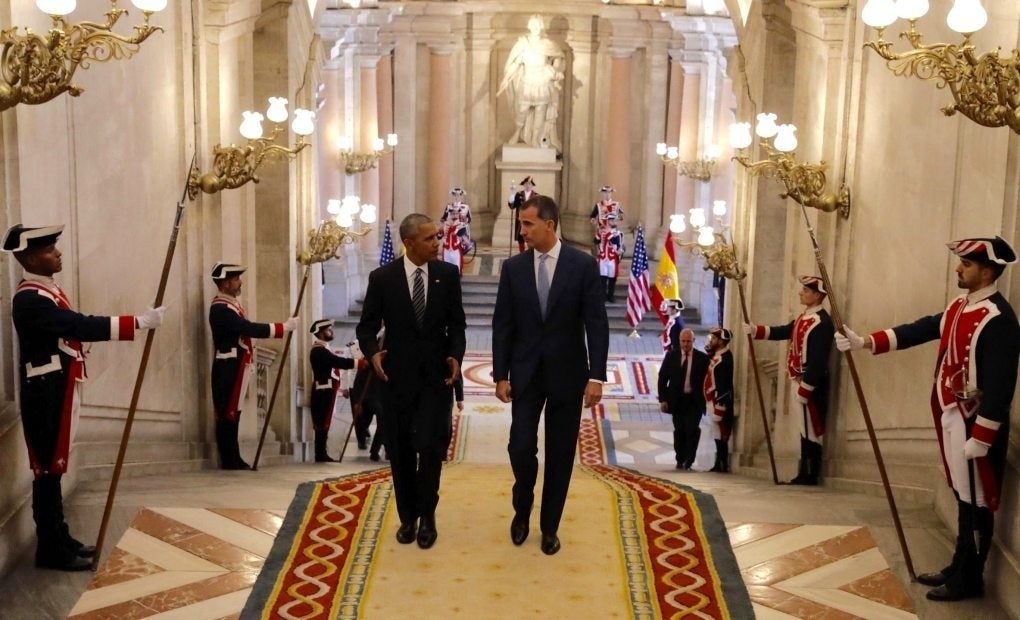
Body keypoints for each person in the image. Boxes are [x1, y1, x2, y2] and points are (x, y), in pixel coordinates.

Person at [835, 236, 1020, 602]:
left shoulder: (1000, 318)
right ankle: (959, 563)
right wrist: (866, 342)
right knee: (961, 494)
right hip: (951, 417)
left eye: (966, 264)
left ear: (987, 270)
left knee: (977, 501)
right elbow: (920, 328)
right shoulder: (958, 306)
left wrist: (982, 437)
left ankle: (971, 578)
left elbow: (1000, 386)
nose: (958, 268)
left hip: (975, 426)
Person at [3, 224, 165, 571]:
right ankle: (50, 550)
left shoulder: (46, 292)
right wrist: (136, 322)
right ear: (30, 258)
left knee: (54, 470)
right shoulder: (30, 299)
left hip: (56, 388)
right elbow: (76, 324)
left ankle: (60, 538)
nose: (58, 254)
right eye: (49, 250)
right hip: (45, 394)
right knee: (47, 471)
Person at [492, 194, 609, 556]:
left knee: (560, 455)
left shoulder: (582, 265)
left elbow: (596, 323)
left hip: (567, 375)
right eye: (521, 223)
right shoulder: (514, 269)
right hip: (525, 374)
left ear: (550, 225)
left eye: (528, 224)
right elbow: (503, 325)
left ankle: (549, 527)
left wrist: (597, 376)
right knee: (521, 445)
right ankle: (522, 504)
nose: (522, 230)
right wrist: (500, 374)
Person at [356, 214, 466, 550]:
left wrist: (455, 356)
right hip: (396, 381)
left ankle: (428, 517)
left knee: (431, 449)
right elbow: (366, 327)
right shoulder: (383, 278)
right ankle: (408, 517)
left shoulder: (447, 275)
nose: (438, 243)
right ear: (410, 243)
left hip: (435, 379)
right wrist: (373, 353)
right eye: (431, 238)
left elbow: (457, 325)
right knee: (401, 450)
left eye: (438, 236)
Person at [745, 275, 834, 485]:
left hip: (811, 384)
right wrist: (757, 330)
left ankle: (811, 472)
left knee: (811, 428)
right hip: (798, 380)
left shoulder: (823, 322)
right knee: (803, 427)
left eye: (806, 291)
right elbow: (785, 331)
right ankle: (803, 471)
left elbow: (819, 359)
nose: (801, 293)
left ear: (817, 295)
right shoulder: (804, 317)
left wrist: (806, 387)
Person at [209, 262, 297, 470]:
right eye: (236, 278)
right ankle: (229, 458)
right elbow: (245, 328)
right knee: (227, 412)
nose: (240, 282)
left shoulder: (231, 306)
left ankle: (234, 456)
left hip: (236, 363)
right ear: (225, 283)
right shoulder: (221, 308)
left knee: (234, 411)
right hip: (227, 365)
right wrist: (282, 328)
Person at [497, 14, 565, 149]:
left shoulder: (547, 44)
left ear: (541, 26)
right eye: (533, 25)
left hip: (543, 82)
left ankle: (535, 138)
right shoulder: (523, 44)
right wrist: (506, 79)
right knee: (521, 110)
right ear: (529, 26)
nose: (536, 27)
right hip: (527, 82)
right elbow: (515, 63)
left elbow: (559, 56)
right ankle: (517, 133)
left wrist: (554, 71)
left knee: (541, 112)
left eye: (538, 24)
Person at [308, 319, 365, 463]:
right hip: (323, 389)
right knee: (322, 422)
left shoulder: (324, 349)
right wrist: (360, 363)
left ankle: (322, 453)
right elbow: (339, 362)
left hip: (327, 388)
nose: (332, 331)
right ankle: (320, 454)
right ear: (320, 333)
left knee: (325, 421)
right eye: (328, 330)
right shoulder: (319, 351)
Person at [657, 328, 709, 471]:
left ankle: (689, 461)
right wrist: (663, 399)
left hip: (694, 401)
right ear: (679, 341)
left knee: (692, 430)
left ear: (694, 341)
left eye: (688, 341)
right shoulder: (671, 356)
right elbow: (663, 378)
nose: (685, 344)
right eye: (683, 341)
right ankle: (680, 458)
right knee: (679, 430)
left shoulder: (702, 359)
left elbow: (708, 381)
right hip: (677, 401)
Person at [347, 339, 386, 462]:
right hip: (369, 397)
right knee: (365, 421)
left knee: (384, 421)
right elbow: (358, 382)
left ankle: (375, 450)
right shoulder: (369, 360)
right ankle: (364, 442)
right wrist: (358, 401)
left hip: (382, 397)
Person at [705, 327, 735, 473]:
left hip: (719, 400)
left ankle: (722, 461)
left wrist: (720, 405)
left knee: (722, 430)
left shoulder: (725, 359)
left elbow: (724, 384)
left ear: (722, 341)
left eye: (715, 339)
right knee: (716, 431)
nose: (712, 341)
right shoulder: (717, 354)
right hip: (712, 398)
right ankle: (718, 461)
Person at [440, 187, 473, 273]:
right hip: (449, 231)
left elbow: (469, 219)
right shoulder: (448, 206)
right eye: (455, 195)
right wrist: (446, 223)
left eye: (458, 195)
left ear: (461, 195)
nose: (457, 197)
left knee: (457, 258)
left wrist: (463, 221)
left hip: (460, 230)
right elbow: (443, 218)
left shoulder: (466, 206)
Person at [596, 214, 625, 303]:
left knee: (612, 278)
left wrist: (607, 233)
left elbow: (617, 243)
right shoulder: (601, 231)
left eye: (613, 220)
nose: (612, 222)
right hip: (603, 257)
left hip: (612, 258)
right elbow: (596, 241)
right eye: (610, 220)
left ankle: (610, 296)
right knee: (602, 278)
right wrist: (599, 232)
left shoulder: (618, 233)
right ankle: (603, 296)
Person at [507, 176, 538, 254]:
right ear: (524, 185)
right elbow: (512, 206)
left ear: (532, 185)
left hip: (531, 221)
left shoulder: (536, 196)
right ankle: (522, 254)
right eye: (526, 184)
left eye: (529, 184)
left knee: (531, 238)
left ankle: (531, 254)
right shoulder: (519, 195)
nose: (528, 185)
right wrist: (511, 199)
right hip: (520, 221)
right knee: (521, 238)